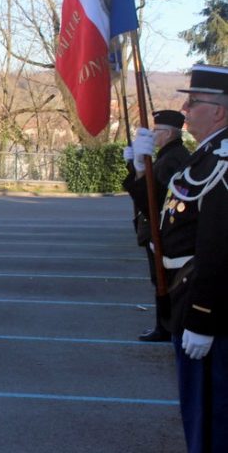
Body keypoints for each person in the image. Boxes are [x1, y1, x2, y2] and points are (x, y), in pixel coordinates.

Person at [138, 64, 228, 453]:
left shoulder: (222, 164)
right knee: (198, 410)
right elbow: (162, 214)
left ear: (219, 111)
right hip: (184, 296)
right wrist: (137, 168)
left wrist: (203, 317)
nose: (185, 109)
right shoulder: (204, 157)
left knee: (212, 412)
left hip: (206, 307)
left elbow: (219, 248)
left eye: (193, 102)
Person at [122, 109, 190, 341]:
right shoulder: (167, 155)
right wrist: (134, 165)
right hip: (155, 227)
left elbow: (156, 196)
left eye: (157, 131)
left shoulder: (174, 158)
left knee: (164, 280)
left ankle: (165, 326)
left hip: (161, 228)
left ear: (169, 133)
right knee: (159, 278)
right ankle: (164, 325)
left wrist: (139, 167)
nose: (153, 135)